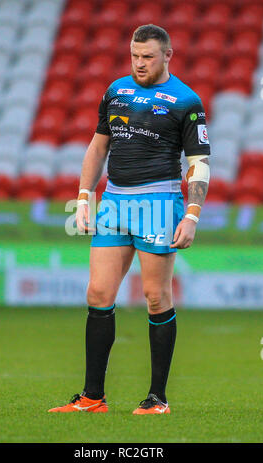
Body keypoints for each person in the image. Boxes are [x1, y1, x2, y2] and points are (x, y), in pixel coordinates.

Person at [49, 24, 210, 415]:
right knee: (98, 295)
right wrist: (84, 197)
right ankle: (92, 398)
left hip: (158, 202)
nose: (139, 63)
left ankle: (157, 398)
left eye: (148, 57)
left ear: (167, 55)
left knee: (156, 297)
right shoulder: (116, 91)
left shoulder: (186, 101)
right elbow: (98, 145)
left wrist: (191, 215)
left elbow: (199, 164)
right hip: (114, 202)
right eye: (135, 56)